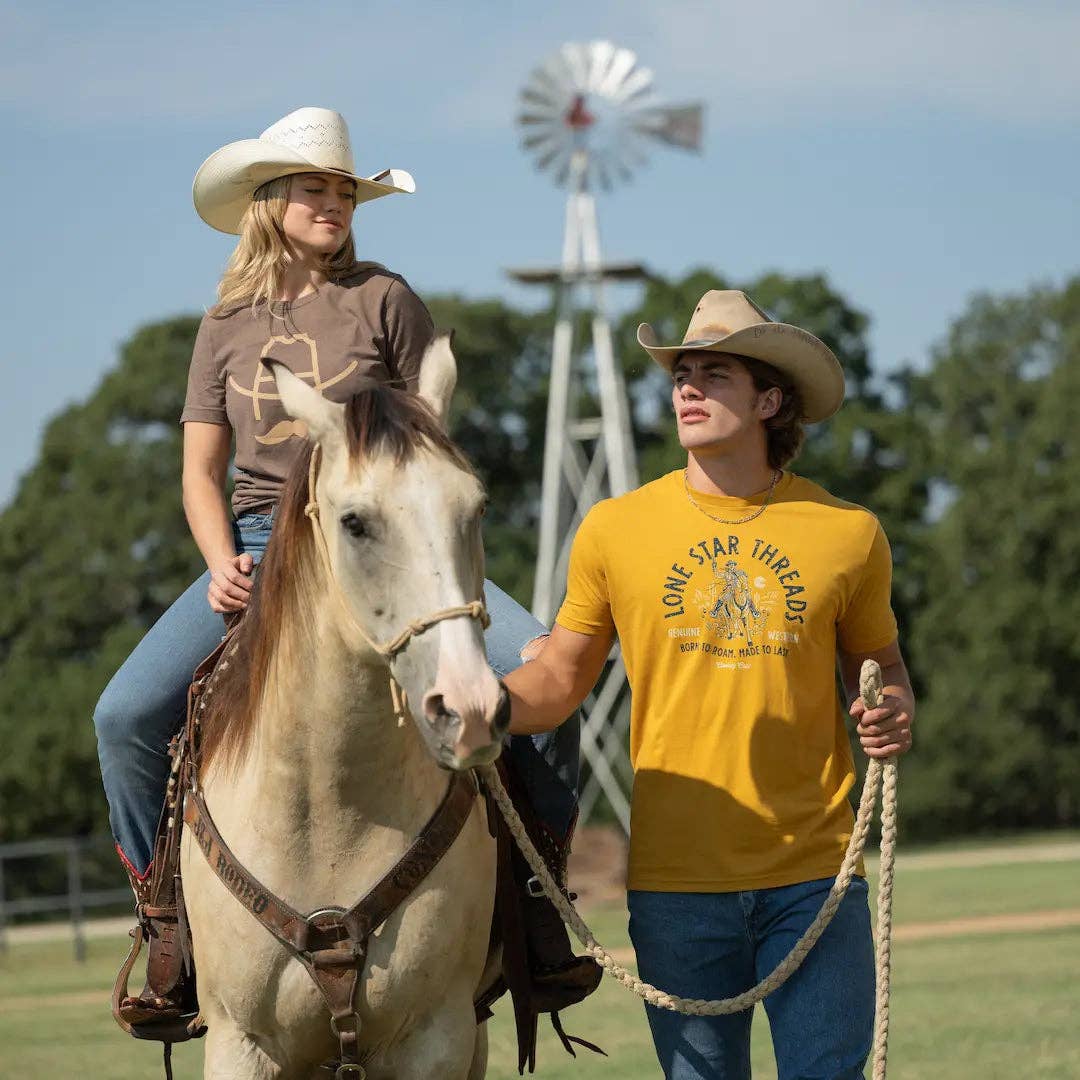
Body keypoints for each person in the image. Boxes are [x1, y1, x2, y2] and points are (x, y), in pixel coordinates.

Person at [94, 107, 597, 1031]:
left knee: (547, 673)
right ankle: (165, 923)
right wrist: (218, 565)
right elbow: (200, 471)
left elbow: (424, 447)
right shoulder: (224, 324)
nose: (332, 204)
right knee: (123, 717)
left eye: (343, 191)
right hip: (259, 549)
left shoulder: (387, 298)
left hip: (392, 548)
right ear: (267, 201)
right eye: (313, 189)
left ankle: (538, 900)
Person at [504, 289, 915, 1080]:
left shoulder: (848, 533)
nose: (686, 388)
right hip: (674, 890)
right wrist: (478, 711)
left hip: (816, 882)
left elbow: (884, 667)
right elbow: (558, 678)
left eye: (713, 374)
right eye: (681, 373)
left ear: (768, 399)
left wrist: (892, 710)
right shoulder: (615, 529)